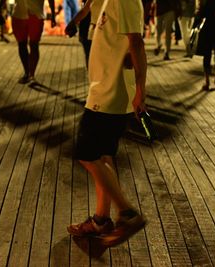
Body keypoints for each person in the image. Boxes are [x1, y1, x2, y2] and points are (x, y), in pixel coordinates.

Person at [67, 0, 147, 247]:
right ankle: (101, 220)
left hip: (111, 92)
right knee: (102, 155)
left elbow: (136, 43)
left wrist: (140, 91)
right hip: (104, 88)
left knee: (86, 153)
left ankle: (127, 213)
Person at [12, 0, 56, 84]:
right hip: (19, 14)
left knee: (34, 44)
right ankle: (27, 72)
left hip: (35, 14)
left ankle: (31, 74)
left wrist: (53, 15)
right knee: (22, 44)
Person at [64, 0, 104, 68]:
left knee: (93, 59)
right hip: (92, 32)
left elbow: (84, 10)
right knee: (92, 59)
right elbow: (85, 10)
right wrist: (72, 23)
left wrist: (72, 23)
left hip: (94, 32)